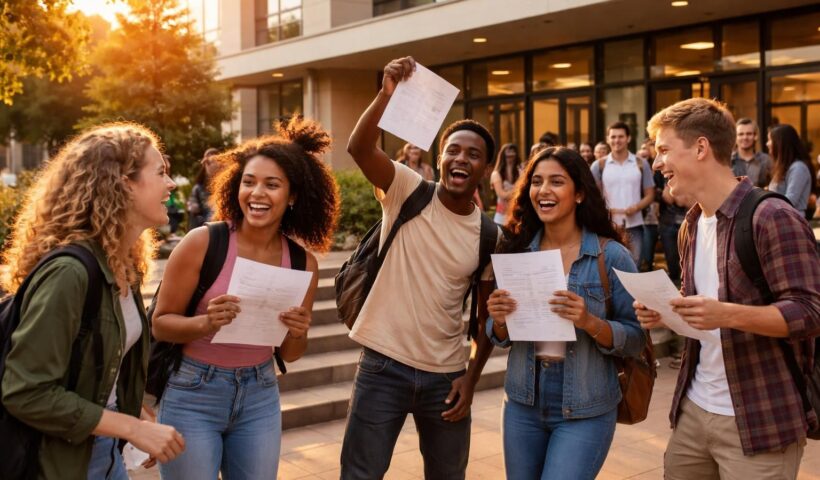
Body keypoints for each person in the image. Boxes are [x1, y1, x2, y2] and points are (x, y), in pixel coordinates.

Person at [636, 98, 820, 479]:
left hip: (761, 420)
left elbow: (810, 312)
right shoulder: (689, 225)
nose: (657, 164)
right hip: (693, 410)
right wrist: (669, 314)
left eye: (665, 150)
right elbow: (701, 315)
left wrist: (725, 313)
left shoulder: (773, 216)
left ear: (701, 148)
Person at [151, 118, 338, 479]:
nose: (256, 194)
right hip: (193, 393)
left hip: (259, 393)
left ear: (293, 195)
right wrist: (206, 323)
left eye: (272, 185)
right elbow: (160, 324)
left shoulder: (303, 263)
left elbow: (290, 354)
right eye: (248, 183)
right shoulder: (203, 243)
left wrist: (298, 331)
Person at [341, 56, 499, 480]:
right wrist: (386, 94)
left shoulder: (489, 235)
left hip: (445, 376)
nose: (461, 159)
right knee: (360, 474)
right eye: (453, 150)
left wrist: (471, 377)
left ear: (487, 168)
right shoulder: (407, 189)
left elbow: (486, 318)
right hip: (382, 366)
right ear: (440, 157)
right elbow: (359, 148)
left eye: (474, 154)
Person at [1, 123, 184, 479]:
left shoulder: (123, 265)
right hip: (57, 463)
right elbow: (26, 392)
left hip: (103, 450)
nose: (171, 184)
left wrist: (133, 418)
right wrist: (132, 429)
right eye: (161, 172)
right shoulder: (70, 273)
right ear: (124, 183)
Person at [486, 146, 645, 479]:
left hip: (586, 404)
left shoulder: (612, 256)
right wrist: (499, 321)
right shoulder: (515, 249)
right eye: (536, 181)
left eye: (556, 182)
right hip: (522, 401)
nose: (543, 190)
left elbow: (635, 339)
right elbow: (499, 337)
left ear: (580, 193)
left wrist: (589, 321)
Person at [591, 121, 656, 265]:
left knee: (634, 265)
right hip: (608, 226)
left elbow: (650, 194)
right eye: (613, 137)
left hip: (634, 226)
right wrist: (603, 210)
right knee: (608, 266)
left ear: (628, 138)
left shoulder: (640, 163)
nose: (616, 140)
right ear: (608, 139)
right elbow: (592, 196)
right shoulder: (599, 165)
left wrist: (636, 207)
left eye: (620, 136)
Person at [767, 124, 817, 221]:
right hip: (783, 221)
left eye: (770, 140)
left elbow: (789, 201)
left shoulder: (798, 168)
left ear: (780, 143)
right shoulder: (784, 167)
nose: (767, 143)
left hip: (793, 223)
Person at [731, 118, 772, 188]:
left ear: (755, 136)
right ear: (735, 137)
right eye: (741, 134)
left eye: (749, 134)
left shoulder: (766, 160)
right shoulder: (727, 161)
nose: (745, 137)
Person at [187, 148, 219, 230]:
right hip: (204, 230)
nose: (213, 165)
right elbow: (193, 215)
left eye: (216, 161)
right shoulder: (198, 189)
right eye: (208, 162)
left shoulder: (227, 186)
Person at [490, 143, 522, 225]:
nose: (511, 155)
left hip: (517, 216)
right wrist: (518, 189)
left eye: (513, 152)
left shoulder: (520, 172)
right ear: (503, 156)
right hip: (501, 216)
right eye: (508, 153)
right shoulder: (496, 174)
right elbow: (502, 195)